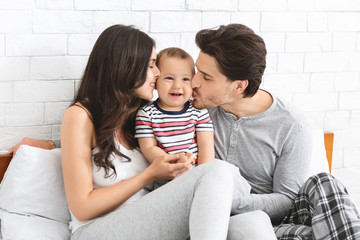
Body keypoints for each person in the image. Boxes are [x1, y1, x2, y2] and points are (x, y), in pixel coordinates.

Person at [44, 24, 239, 240]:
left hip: (144, 220)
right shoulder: (81, 115)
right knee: (216, 171)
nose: (157, 74)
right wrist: (149, 175)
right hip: (97, 230)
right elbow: (82, 207)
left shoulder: (138, 114)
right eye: (151, 65)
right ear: (124, 67)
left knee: (249, 221)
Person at [191, 23, 360, 239]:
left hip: (278, 224)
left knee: (324, 182)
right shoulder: (193, 109)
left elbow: (287, 200)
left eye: (206, 77)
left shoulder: (291, 125)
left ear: (239, 86)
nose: (194, 82)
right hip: (228, 223)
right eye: (197, 70)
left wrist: (225, 197)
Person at [135, 48, 216, 189]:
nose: (177, 86)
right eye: (169, 78)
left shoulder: (198, 111)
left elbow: (206, 146)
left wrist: (203, 177)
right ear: (156, 82)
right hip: (166, 182)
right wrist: (174, 162)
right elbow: (149, 147)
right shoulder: (146, 114)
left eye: (185, 79)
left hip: (197, 177)